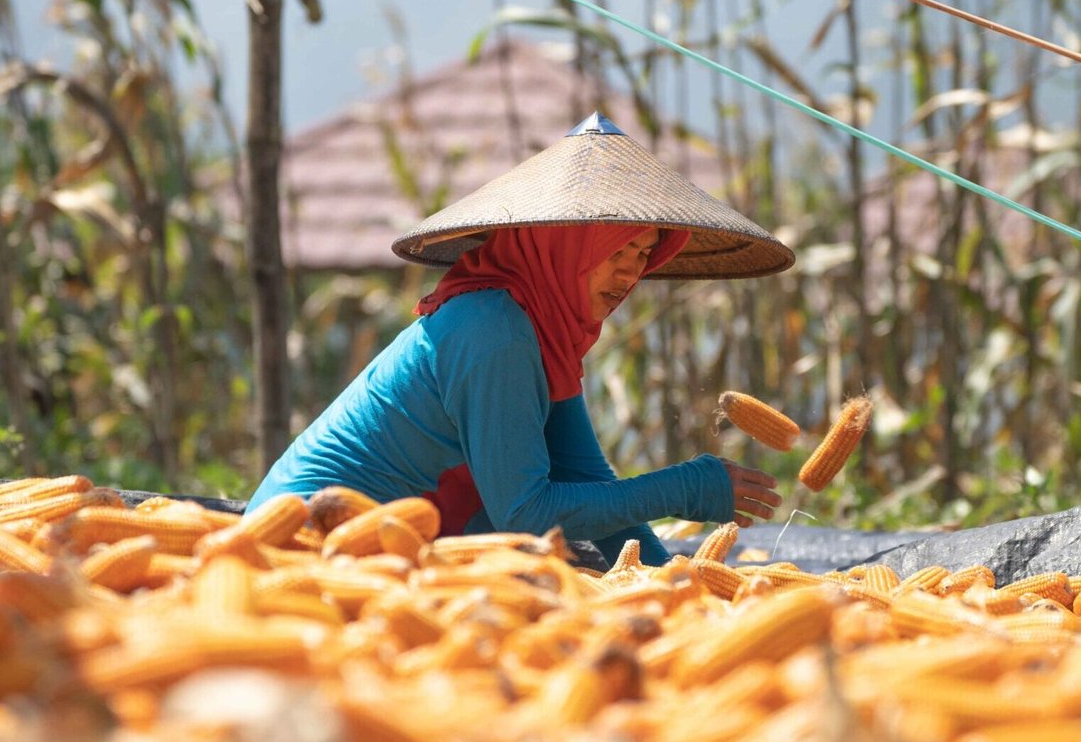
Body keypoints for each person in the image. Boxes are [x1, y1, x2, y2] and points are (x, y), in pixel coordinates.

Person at [247, 113, 796, 566]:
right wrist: (683, 489)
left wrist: (671, 578)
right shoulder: (494, 330)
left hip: (387, 548)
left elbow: (584, 475)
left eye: (642, 255)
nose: (631, 275)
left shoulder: (539, 332)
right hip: (305, 544)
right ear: (565, 251)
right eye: (615, 252)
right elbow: (526, 512)